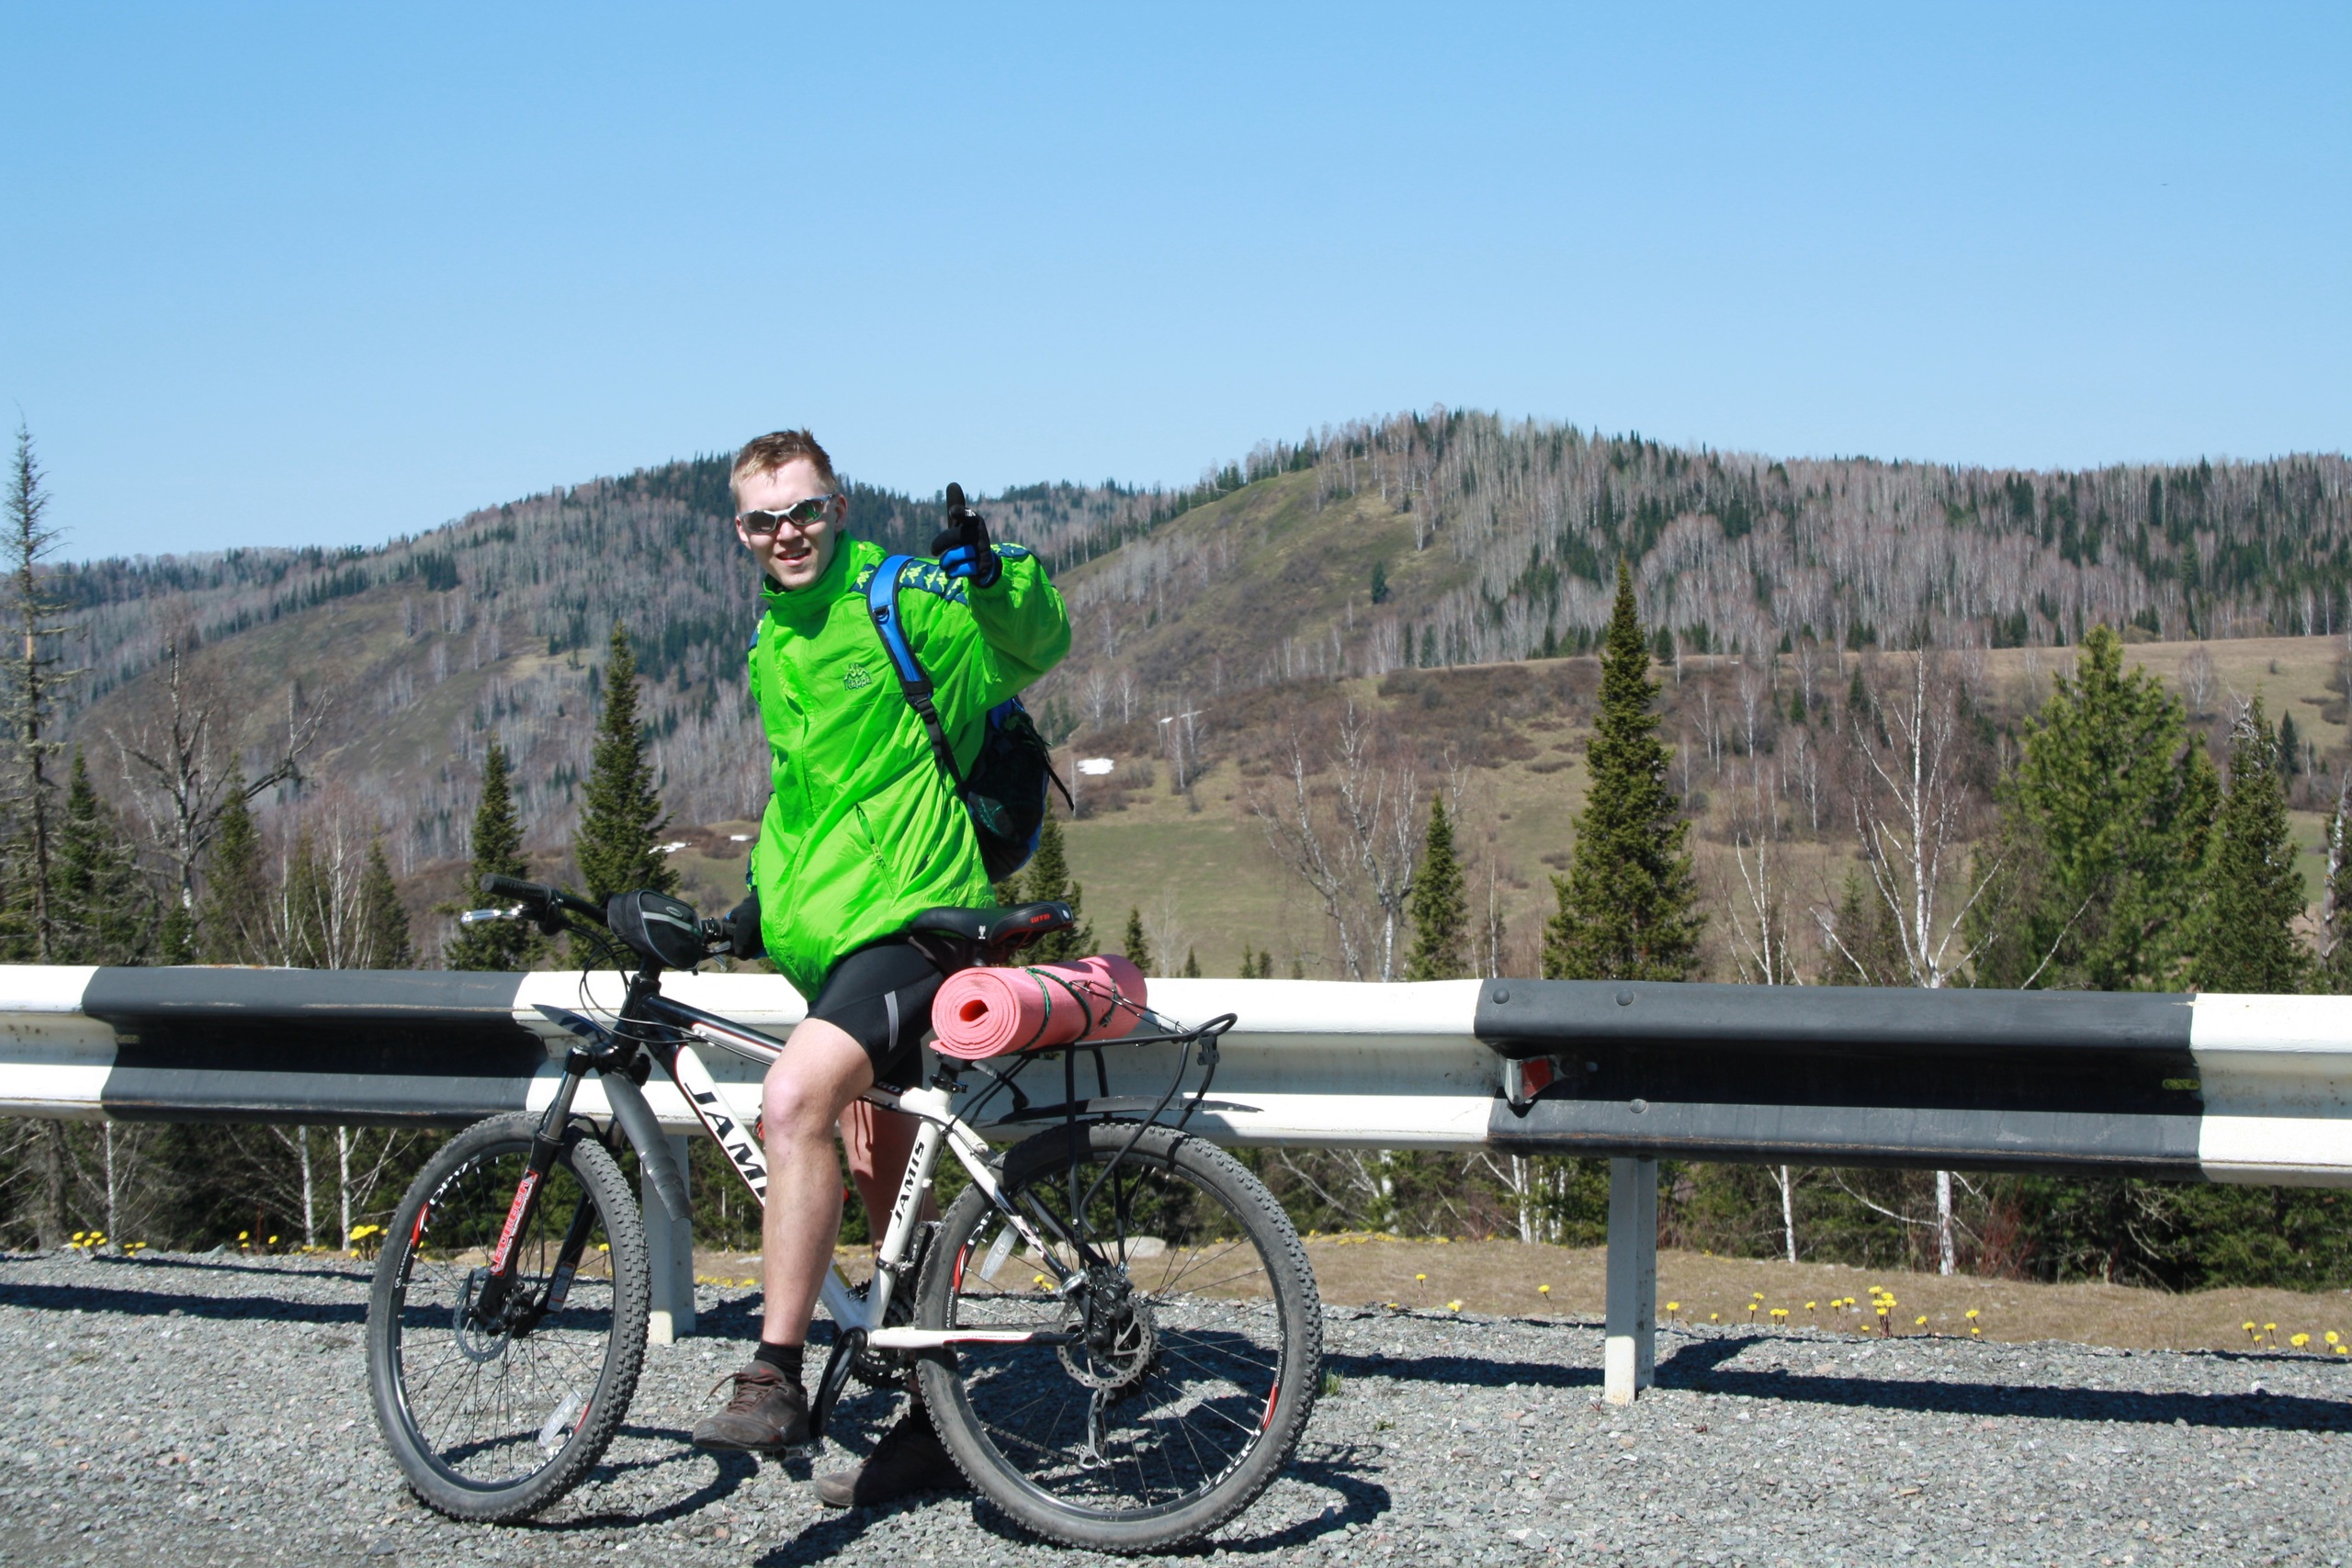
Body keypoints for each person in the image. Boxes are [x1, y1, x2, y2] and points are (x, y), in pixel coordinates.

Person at [690, 429, 1070, 1507]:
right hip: (833, 935)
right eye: (765, 520)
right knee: (875, 1169)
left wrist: (993, 574)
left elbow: (1030, 644)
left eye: (805, 511)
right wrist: (760, 899)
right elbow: (807, 793)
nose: (788, 533)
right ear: (741, 533)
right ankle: (930, 1421)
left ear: (839, 508)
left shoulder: (901, 598)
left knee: (792, 1101)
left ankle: (774, 1375)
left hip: (912, 916)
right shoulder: (772, 640)